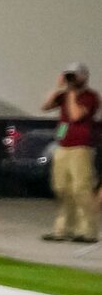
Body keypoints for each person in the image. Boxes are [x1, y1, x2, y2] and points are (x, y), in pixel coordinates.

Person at [44, 64, 98, 243]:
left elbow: (75, 115)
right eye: (69, 75)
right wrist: (58, 89)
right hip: (63, 146)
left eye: (74, 76)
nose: (71, 79)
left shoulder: (90, 97)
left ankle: (87, 231)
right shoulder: (63, 95)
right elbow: (45, 106)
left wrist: (72, 93)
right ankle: (63, 229)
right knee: (61, 188)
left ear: (84, 77)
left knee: (80, 189)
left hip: (81, 147)